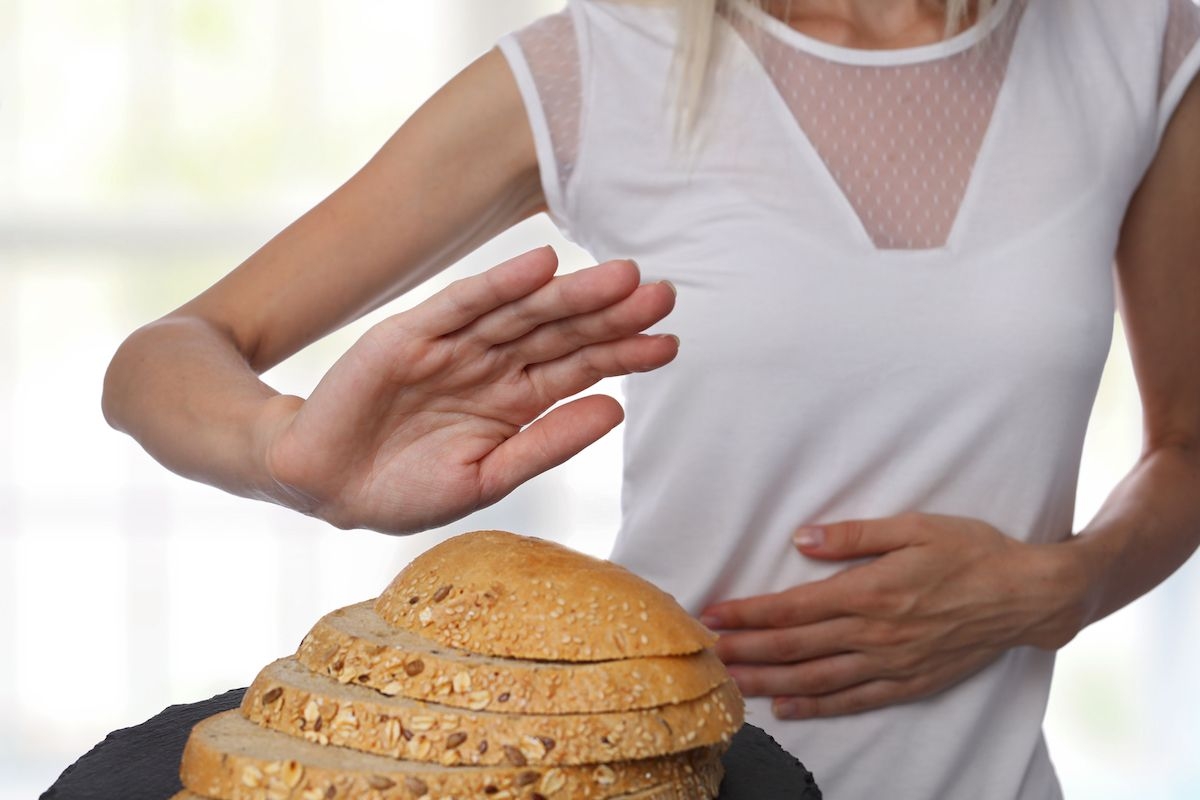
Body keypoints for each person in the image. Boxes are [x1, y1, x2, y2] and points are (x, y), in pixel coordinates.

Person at [103, 0, 1200, 797]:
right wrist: (285, 450)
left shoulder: (1143, 42)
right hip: (661, 777)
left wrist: (1067, 586)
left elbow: (1187, 445)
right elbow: (164, 356)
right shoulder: (604, 64)